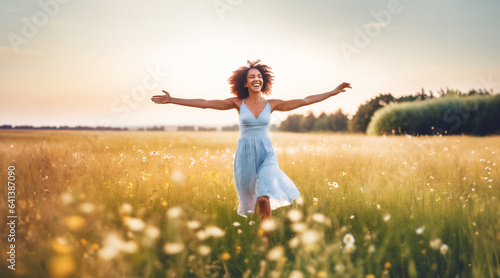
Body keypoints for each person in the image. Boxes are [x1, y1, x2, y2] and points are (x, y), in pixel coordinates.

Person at [151, 60, 351, 222]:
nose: (257, 79)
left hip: (266, 154)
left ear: (264, 81)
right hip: (245, 155)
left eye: (259, 76)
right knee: (251, 201)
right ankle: (260, 232)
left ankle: (265, 242)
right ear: (245, 83)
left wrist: (332, 92)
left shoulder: (272, 104)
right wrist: (173, 99)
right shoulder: (237, 103)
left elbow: (305, 100)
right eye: (252, 76)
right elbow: (204, 104)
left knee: (263, 197)